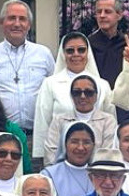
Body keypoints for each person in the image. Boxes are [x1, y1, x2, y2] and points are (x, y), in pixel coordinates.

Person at [0, 0, 55, 138]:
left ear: (29, 25)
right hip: (0, 136)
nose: (17, 24)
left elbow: (56, 90)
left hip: (37, 137)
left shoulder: (44, 54)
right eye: (12, 18)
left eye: (22, 19)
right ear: (2, 23)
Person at [33, 32, 115, 164]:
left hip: (98, 160)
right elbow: (43, 121)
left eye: (81, 50)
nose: (76, 54)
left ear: (87, 53)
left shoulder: (102, 85)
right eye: (70, 51)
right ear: (63, 54)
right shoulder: (50, 83)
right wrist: (41, 156)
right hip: (59, 158)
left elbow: (110, 120)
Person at [42, 75, 116, 166]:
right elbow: (51, 153)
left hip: (97, 175)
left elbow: (107, 153)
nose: (83, 96)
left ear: (96, 95)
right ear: (71, 96)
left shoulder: (108, 121)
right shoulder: (59, 120)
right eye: (77, 92)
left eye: (88, 92)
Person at [89, 0, 129, 102]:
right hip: (95, 103)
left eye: (107, 11)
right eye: (99, 12)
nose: (102, 15)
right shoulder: (88, 45)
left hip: (123, 106)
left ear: (119, 15)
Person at [41, 122, 97, 196]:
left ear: (93, 146)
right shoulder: (49, 175)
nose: (80, 148)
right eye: (74, 142)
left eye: (86, 142)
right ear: (65, 144)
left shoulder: (101, 174)